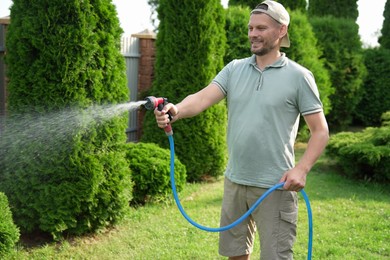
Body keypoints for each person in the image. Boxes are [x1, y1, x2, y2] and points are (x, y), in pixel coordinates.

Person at [154, 1, 329, 259]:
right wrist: (176, 109)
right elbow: (202, 98)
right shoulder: (235, 69)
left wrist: (301, 169)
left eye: (261, 28)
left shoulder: (299, 76)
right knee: (235, 254)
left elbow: (320, 131)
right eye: (250, 28)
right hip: (235, 181)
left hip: (275, 186)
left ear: (281, 31)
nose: (253, 34)